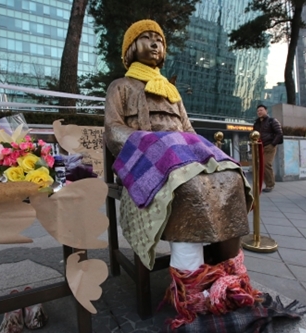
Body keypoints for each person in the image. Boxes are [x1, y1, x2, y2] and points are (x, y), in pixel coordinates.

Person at [104, 19, 258, 328]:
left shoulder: (171, 90)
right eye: (146, 38)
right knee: (187, 188)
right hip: (146, 162)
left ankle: (228, 271)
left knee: (230, 177)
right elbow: (112, 130)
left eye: (158, 40)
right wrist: (151, 143)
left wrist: (197, 150)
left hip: (182, 159)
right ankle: (191, 287)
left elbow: (188, 130)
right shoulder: (120, 86)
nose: (155, 44)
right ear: (132, 47)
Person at [253, 104, 283, 193]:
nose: (259, 112)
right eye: (258, 111)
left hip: (269, 146)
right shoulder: (256, 123)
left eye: (261, 110)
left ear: (266, 111)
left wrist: (273, 144)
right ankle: (262, 183)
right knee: (259, 166)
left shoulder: (272, 121)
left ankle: (270, 184)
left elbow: (279, 133)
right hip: (259, 146)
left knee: (266, 164)